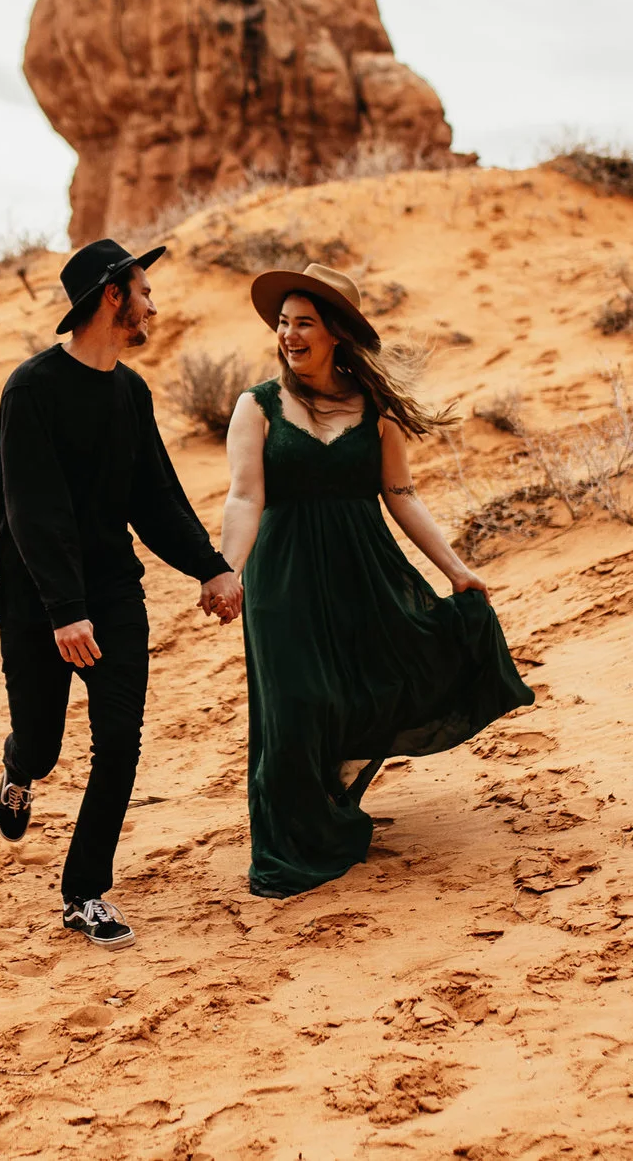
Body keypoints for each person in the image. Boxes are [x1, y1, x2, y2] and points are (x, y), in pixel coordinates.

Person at [218, 262, 535, 899]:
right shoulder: (257, 405)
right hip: (283, 581)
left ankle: (332, 802)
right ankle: (288, 848)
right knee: (296, 706)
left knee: (369, 686)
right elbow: (244, 498)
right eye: (283, 323)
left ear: (336, 333)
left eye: (303, 323)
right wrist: (227, 569)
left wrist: (457, 570)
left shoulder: (376, 408)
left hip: (362, 569)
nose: (289, 335)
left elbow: (402, 493)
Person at [0, 237, 245, 949]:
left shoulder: (131, 393)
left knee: (119, 746)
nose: (152, 304)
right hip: (40, 598)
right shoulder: (31, 389)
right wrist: (64, 610)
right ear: (112, 296)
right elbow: (29, 510)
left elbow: (155, 497)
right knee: (42, 743)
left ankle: (85, 892)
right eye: (144, 290)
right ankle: (19, 770)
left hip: (113, 590)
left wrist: (211, 567)